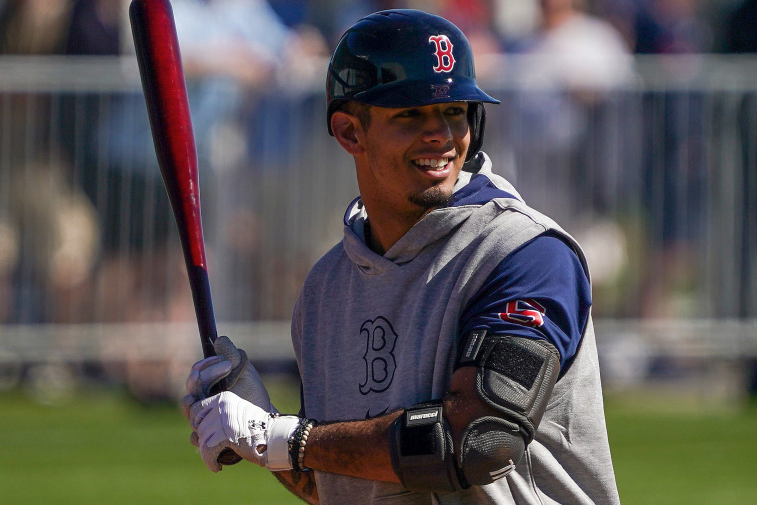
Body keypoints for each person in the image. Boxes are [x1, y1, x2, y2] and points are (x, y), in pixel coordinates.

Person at [181, 9, 620, 505]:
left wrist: (283, 438)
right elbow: (343, 486)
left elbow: (477, 443)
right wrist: (263, 428)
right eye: (411, 114)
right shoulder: (326, 289)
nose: (440, 135)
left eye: (455, 112)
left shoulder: (524, 254)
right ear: (350, 133)